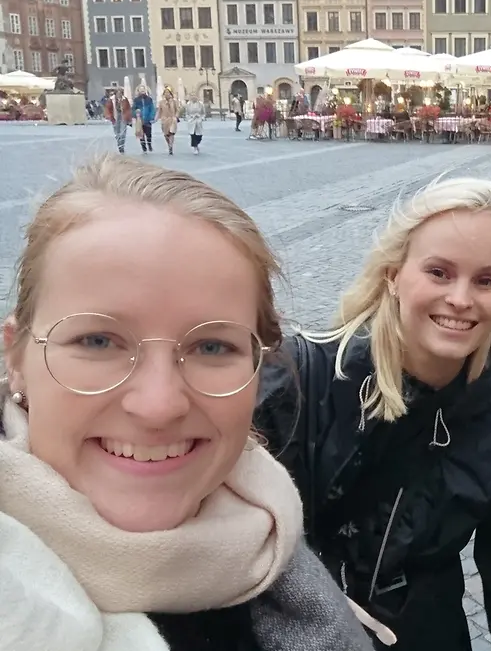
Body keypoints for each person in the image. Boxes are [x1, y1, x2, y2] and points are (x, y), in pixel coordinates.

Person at [0, 154, 375, 651]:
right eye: (98, 341)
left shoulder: (279, 559)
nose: (158, 405)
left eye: (212, 347)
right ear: (16, 356)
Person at [254, 177, 491, 651]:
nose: (461, 299)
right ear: (393, 275)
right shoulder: (300, 380)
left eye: (485, 280)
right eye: (439, 272)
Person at [103, 88, 131, 154]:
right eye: (118, 93)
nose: (119, 94)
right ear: (116, 93)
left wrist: (129, 118)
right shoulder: (111, 99)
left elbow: (128, 109)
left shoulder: (125, 99)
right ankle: (119, 145)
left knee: (123, 133)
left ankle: (122, 146)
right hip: (115, 117)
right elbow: (107, 108)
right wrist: (108, 116)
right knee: (117, 133)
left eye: (120, 93)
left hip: (123, 117)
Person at [157, 87, 181, 155]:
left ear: (171, 94)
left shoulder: (174, 102)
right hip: (164, 120)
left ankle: (171, 147)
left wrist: (176, 116)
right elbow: (159, 111)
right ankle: (169, 145)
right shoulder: (161, 102)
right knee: (166, 135)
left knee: (171, 133)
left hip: (172, 119)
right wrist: (155, 119)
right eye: (165, 93)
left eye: (168, 93)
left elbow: (178, 110)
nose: (167, 94)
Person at [133, 85, 156, 154]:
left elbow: (152, 108)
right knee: (141, 134)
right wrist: (135, 114)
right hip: (140, 119)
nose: (142, 92)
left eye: (143, 90)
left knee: (148, 133)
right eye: (141, 90)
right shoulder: (136, 100)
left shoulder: (149, 99)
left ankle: (149, 144)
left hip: (147, 119)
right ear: (139, 91)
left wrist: (151, 116)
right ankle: (144, 147)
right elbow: (133, 109)